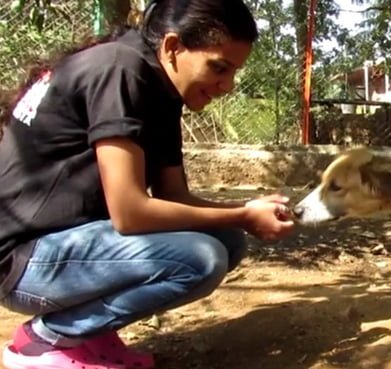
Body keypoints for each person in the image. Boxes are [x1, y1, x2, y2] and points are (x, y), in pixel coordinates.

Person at [0, 0, 296, 368]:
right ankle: (44, 341)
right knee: (202, 258)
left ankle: (89, 332)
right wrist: (243, 214)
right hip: (21, 263)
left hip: (61, 247)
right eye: (219, 68)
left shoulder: (161, 86)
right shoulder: (119, 69)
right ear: (173, 47)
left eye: (233, 71)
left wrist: (246, 214)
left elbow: (174, 196)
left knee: (227, 239)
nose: (228, 86)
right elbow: (131, 213)